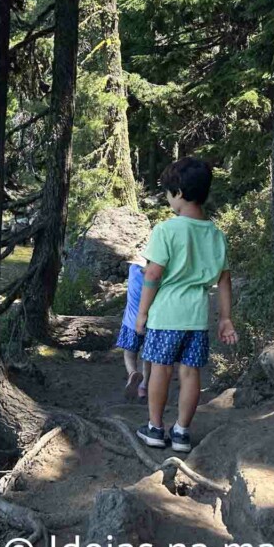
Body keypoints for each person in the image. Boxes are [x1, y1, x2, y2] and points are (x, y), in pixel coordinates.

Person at [134, 157, 237, 453]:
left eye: (168, 192)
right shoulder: (216, 234)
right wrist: (225, 318)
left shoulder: (166, 230)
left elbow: (153, 274)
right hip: (197, 318)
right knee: (191, 373)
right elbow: (224, 280)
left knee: (160, 370)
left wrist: (141, 314)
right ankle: (181, 432)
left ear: (178, 192)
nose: (168, 198)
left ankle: (155, 428)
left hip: (166, 315)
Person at [116, 257, 149, 399]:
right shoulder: (157, 281)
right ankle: (143, 387)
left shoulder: (134, 271)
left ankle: (132, 372)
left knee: (129, 353)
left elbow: (134, 261)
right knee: (148, 357)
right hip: (150, 324)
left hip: (131, 323)